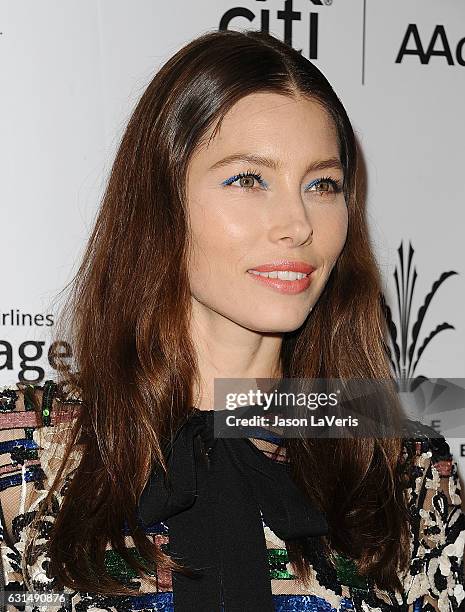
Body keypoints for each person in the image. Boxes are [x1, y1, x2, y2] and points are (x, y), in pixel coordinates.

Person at [0, 28, 464, 612]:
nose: (297, 222)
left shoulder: (400, 458)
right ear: (160, 202)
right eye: (249, 179)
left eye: (322, 184)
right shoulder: (23, 446)